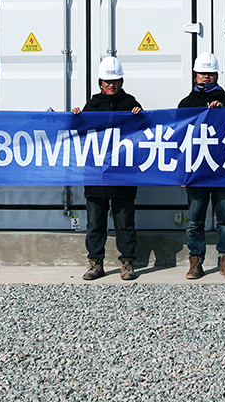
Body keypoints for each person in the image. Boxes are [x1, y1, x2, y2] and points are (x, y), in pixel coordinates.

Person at [72, 56, 142, 281]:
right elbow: (79, 135)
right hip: (96, 176)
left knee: (125, 224)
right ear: (100, 82)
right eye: (107, 81)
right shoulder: (91, 106)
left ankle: (127, 263)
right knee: (95, 224)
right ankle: (95, 263)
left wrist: (140, 116)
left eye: (115, 81)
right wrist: (75, 119)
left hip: (123, 176)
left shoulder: (131, 104)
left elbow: (145, 133)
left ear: (121, 81)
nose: (111, 85)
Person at [178, 52, 225, 280]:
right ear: (195, 76)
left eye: (210, 74)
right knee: (195, 221)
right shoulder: (186, 104)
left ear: (217, 75)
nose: (206, 77)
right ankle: (196, 262)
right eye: (202, 74)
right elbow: (179, 140)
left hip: (223, 170)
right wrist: (182, 173)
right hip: (197, 172)